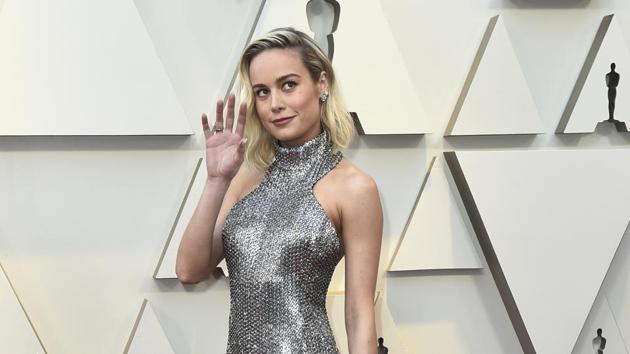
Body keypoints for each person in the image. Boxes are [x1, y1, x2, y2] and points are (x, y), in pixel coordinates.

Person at [175, 27, 383, 354]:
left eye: (289, 85)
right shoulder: (244, 176)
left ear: (321, 84)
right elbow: (190, 270)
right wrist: (216, 181)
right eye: (262, 92)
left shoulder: (355, 188)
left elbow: (359, 316)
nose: (275, 104)